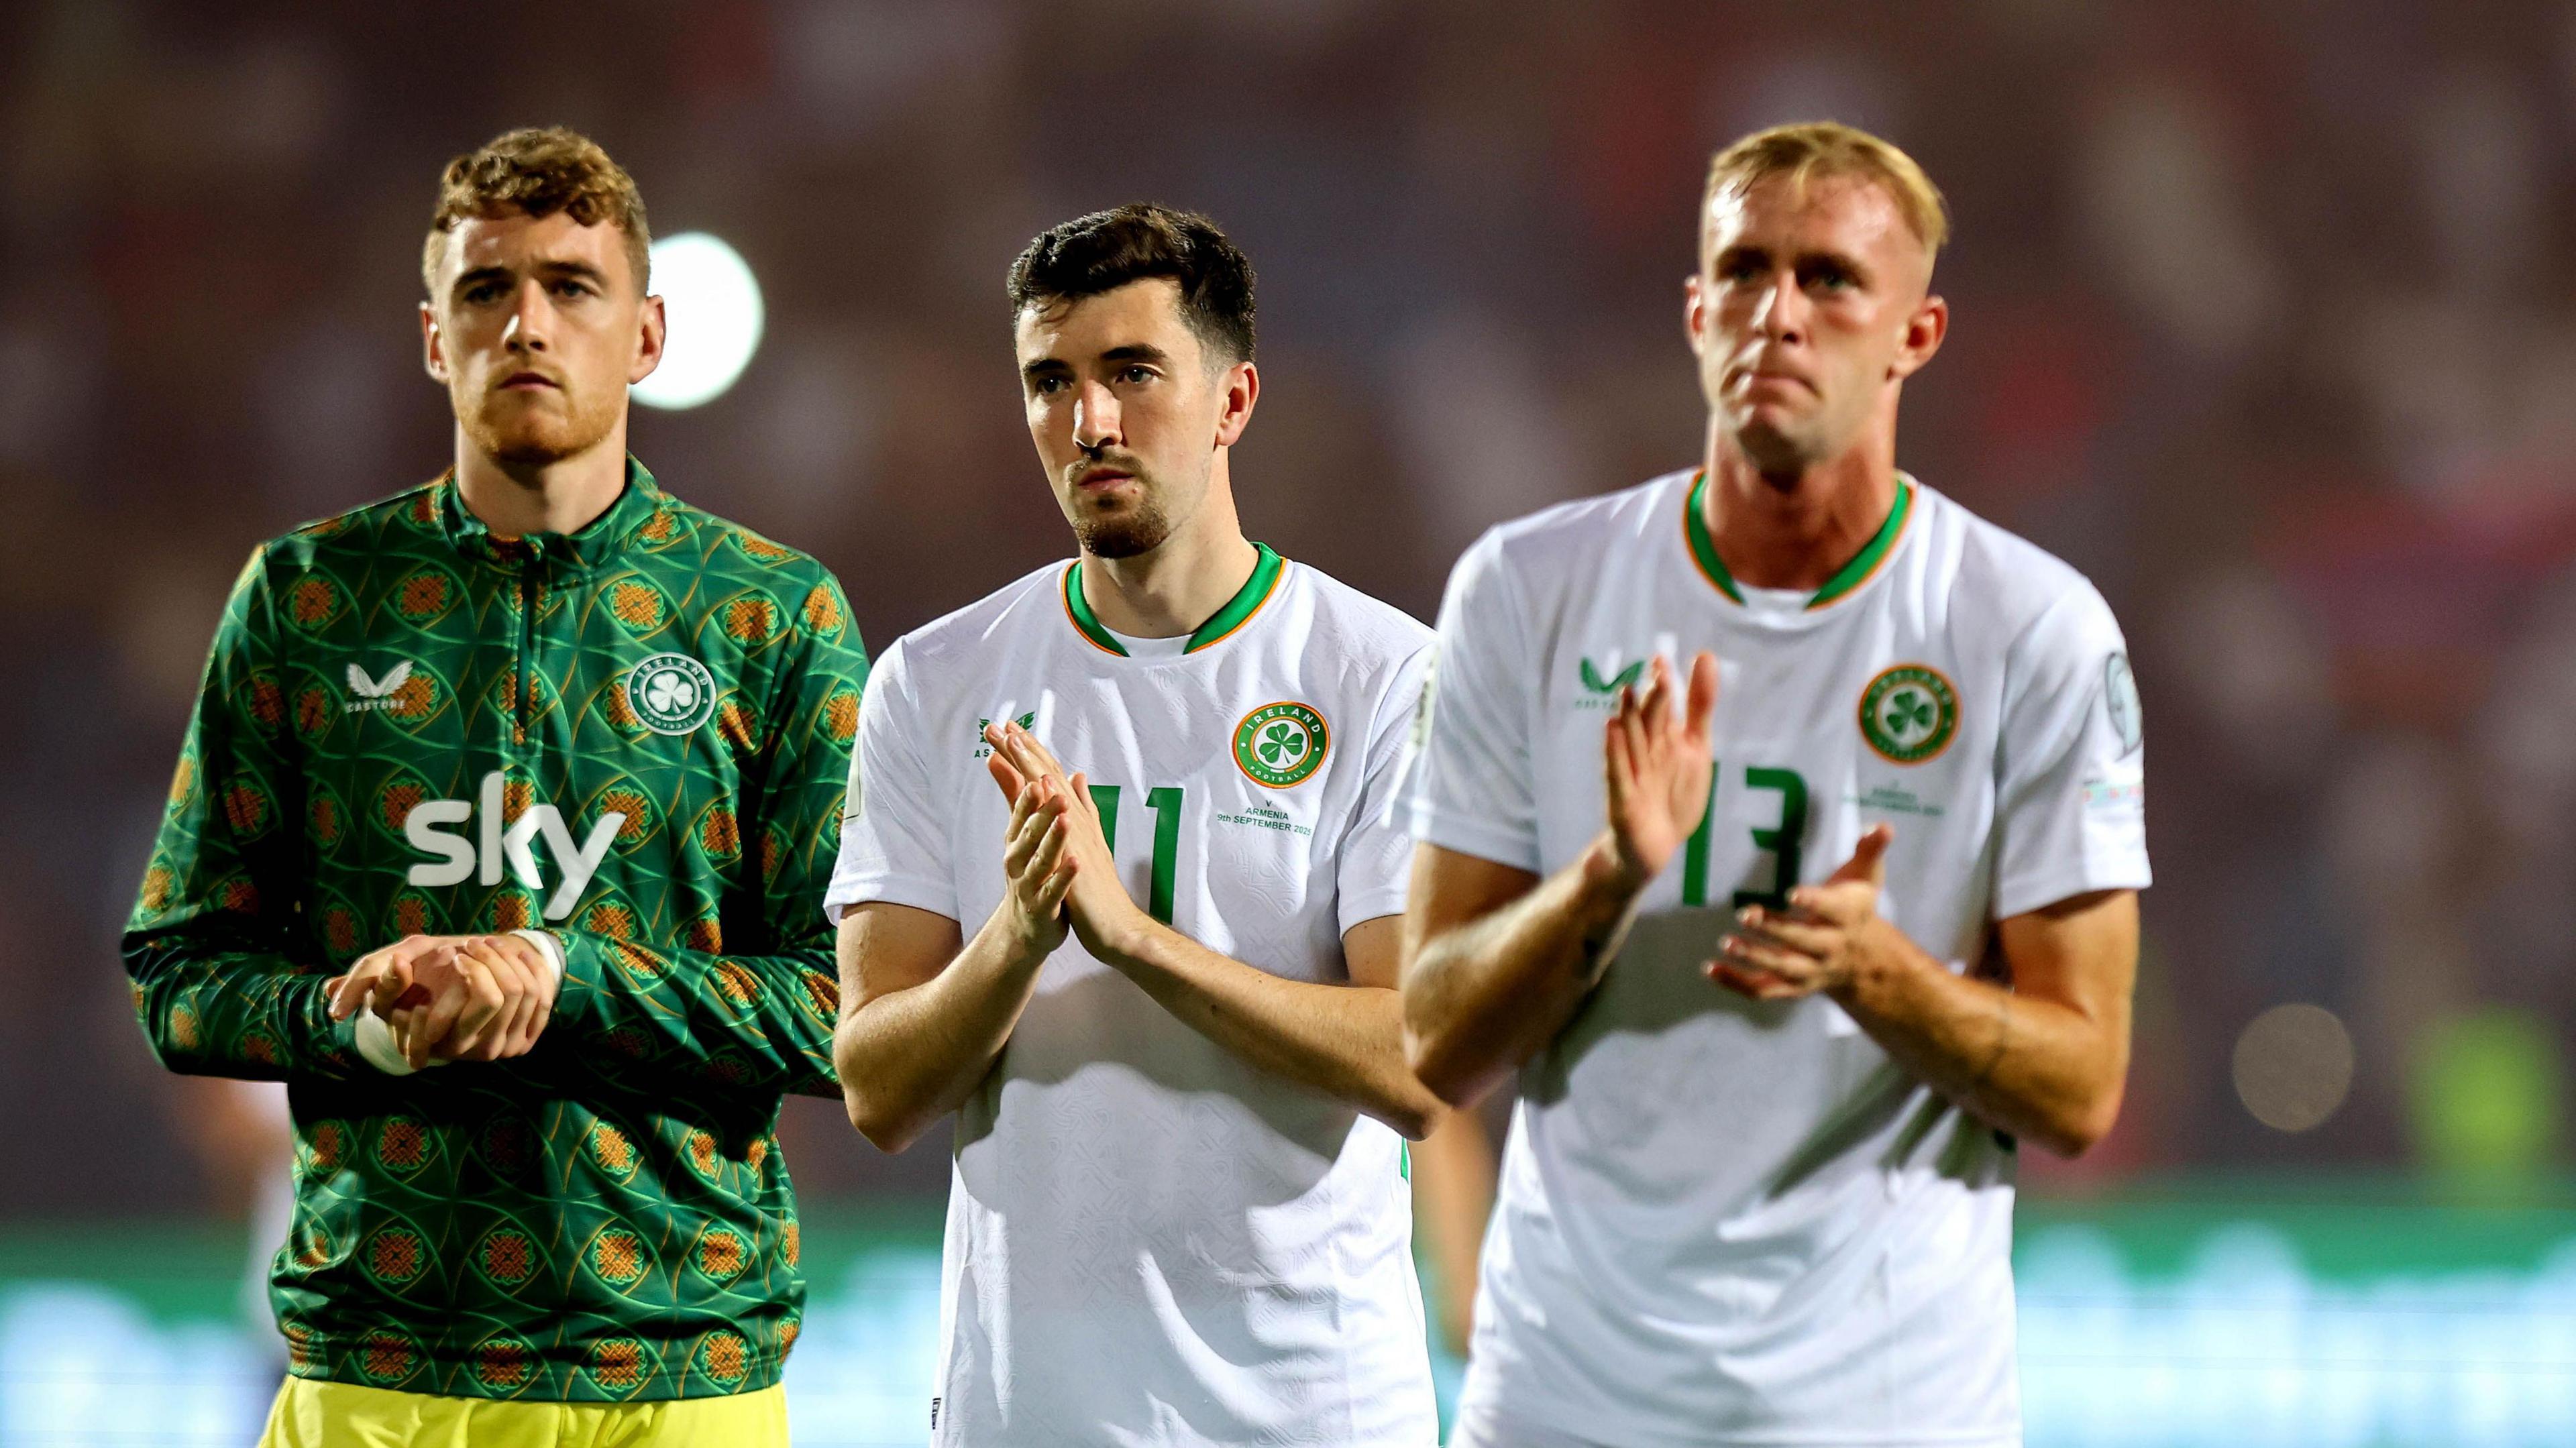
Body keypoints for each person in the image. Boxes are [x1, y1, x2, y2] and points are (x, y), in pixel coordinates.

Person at [1397, 121, 2151, 1448]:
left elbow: (2084, 1086)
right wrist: (1608, 880)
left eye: (1831, 279)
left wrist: (1880, 975)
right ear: (1697, 314)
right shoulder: (1524, 590)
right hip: (1571, 1405)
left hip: (1886, 1412)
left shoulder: (2031, 629)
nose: (1779, 314)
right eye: (1745, 272)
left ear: (1916, 334)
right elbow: (1434, 1042)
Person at [123, 127, 865, 1447]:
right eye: (486, 289)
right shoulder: (305, 599)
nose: (527, 322)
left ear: (647, 336)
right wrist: (357, 1025)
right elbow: (178, 977)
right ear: (434, 338)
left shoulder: (772, 615)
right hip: (378, 1368)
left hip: (682, 1372)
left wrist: (562, 976)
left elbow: (848, 1006)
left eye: (572, 287)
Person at [828, 204, 1442, 1445]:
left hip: (1309, 1414)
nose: (1089, 422)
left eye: (1133, 373)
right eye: (1050, 382)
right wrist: (1017, 938)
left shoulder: (1386, 675)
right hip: (1028, 1414)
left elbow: (1422, 1062)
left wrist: (1136, 941)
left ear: (1233, 401)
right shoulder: (933, 680)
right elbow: (878, 1089)